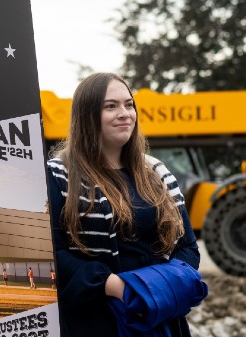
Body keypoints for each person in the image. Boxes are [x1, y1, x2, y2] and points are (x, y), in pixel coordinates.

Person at [45, 73, 200, 337]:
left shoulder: (156, 172)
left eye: (129, 105)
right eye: (110, 106)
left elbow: (187, 246)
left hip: (158, 315)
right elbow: (52, 253)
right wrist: (113, 285)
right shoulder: (60, 175)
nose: (124, 113)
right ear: (87, 116)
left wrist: (159, 286)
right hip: (97, 320)